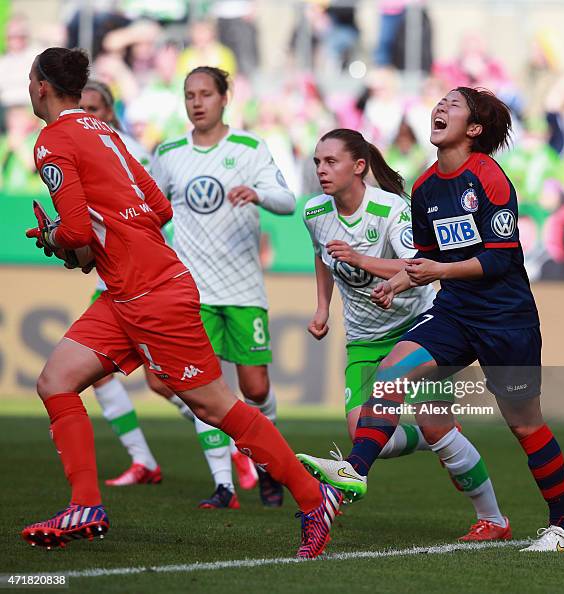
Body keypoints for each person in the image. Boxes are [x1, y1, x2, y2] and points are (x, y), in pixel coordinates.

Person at [22, 47, 340, 558]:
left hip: (150, 293)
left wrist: (60, 235)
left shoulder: (52, 141)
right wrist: (84, 243)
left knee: (215, 406)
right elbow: (158, 206)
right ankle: (86, 503)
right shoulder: (108, 134)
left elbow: (79, 230)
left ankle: (311, 497)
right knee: (55, 381)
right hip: (126, 290)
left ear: (40, 86)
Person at [299, 88, 564, 552]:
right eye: (440, 103)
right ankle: (355, 469)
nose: (440, 109)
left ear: (474, 130)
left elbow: (500, 260)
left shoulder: (490, 178)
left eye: (453, 105)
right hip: (455, 311)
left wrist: (437, 271)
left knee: (524, 424)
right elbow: (426, 258)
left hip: (505, 319)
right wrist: (399, 282)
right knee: (393, 370)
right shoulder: (427, 186)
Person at [303, 128, 510, 541]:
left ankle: (493, 519)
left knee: (436, 429)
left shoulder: (391, 208)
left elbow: (417, 266)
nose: (321, 170)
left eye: (331, 161)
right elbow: (321, 256)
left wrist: (361, 259)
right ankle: (422, 436)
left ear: (358, 167)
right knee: (361, 431)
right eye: (317, 163)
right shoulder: (313, 212)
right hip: (363, 336)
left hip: (414, 331)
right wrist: (323, 306)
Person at [147, 66, 295, 509]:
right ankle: (224, 485)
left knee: (255, 389)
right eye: (190, 94)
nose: (197, 102)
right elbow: (151, 210)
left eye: (206, 94)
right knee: (198, 388)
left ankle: (268, 466)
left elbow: (287, 201)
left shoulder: (250, 148)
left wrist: (258, 194)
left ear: (224, 97)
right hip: (192, 291)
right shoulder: (170, 152)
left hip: (244, 288)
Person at [79, 79, 178, 487]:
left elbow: (155, 212)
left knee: (168, 380)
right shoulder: (81, 148)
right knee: (93, 372)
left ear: (111, 113)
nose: (86, 115)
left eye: (95, 108)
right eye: (80, 107)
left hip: (143, 277)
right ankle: (143, 461)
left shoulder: (125, 150)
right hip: (113, 279)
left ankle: (232, 449)